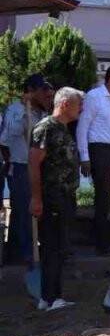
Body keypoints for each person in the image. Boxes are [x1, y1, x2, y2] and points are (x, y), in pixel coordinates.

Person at [29, 87, 84, 311]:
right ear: (64, 104)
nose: (81, 108)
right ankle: (50, 298)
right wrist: (36, 198)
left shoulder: (63, 128)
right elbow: (34, 164)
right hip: (52, 197)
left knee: (60, 248)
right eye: (78, 104)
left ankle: (52, 296)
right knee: (52, 247)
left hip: (65, 196)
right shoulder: (46, 128)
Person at [0, 75, 54, 267]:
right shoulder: (16, 110)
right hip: (21, 166)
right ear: (30, 91)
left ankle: (32, 248)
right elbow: (6, 140)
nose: (47, 94)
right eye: (42, 91)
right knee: (23, 210)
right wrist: (24, 113)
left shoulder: (44, 113)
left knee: (36, 210)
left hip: (40, 166)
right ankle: (22, 252)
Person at [77, 65, 110, 253]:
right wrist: (84, 157)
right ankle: (101, 243)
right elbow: (83, 127)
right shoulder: (94, 97)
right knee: (103, 199)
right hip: (99, 151)